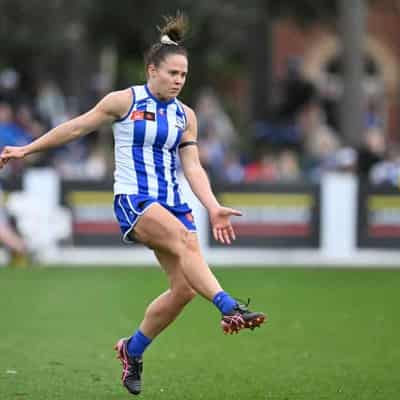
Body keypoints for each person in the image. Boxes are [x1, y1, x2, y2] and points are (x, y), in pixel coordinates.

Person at [0, 13, 266, 396]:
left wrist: (211, 205)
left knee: (185, 290)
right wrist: (27, 148)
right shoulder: (124, 101)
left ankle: (132, 349)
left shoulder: (185, 117)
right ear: (151, 70)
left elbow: (192, 166)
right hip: (135, 200)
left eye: (184, 75)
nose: (178, 80)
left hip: (174, 203)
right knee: (183, 240)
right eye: (172, 73)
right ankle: (229, 307)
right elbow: (75, 127)